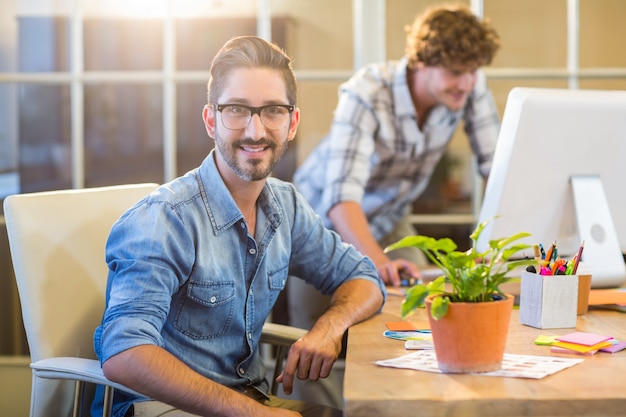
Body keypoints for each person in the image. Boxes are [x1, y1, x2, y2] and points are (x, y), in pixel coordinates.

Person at [91, 35, 385, 417]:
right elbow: (124, 353)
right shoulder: (165, 220)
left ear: (292, 122)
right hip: (161, 408)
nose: (255, 130)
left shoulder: (285, 205)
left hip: (250, 397)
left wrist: (328, 329)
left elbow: (364, 277)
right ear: (211, 119)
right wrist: (253, 414)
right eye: (237, 110)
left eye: (273, 111)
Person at [293, 4, 501, 288]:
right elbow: (341, 198)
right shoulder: (368, 91)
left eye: (473, 71)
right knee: (323, 319)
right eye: (455, 72)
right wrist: (379, 263)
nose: (466, 83)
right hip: (321, 222)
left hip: (389, 216)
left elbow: (497, 171)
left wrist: (493, 247)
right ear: (421, 61)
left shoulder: (468, 86)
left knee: (418, 296)